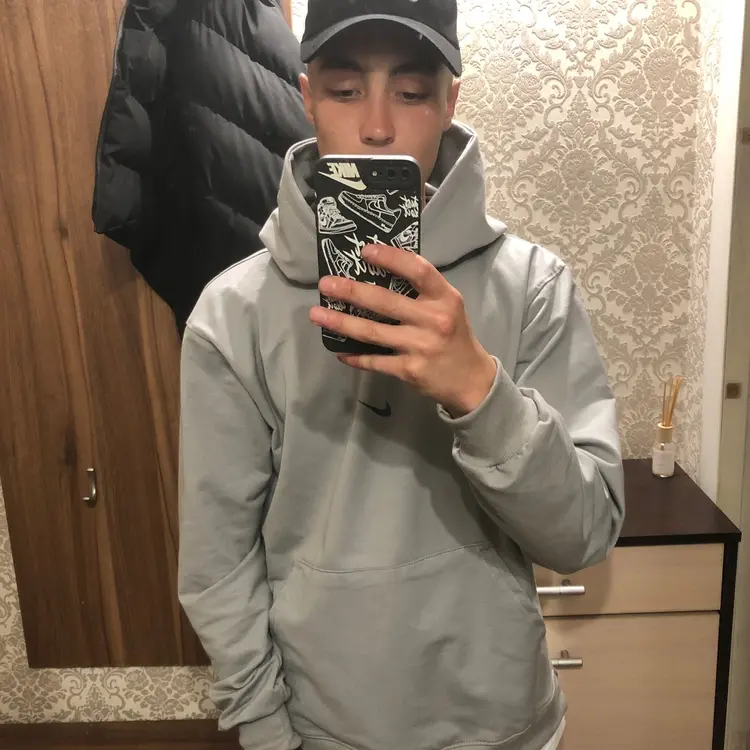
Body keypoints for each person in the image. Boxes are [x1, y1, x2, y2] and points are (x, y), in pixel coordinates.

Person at [177, 1, 625, 749]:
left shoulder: (533, 288)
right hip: (326, 728)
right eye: (346, 91)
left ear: (450, 102)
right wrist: (264, 729)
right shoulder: (233, 315)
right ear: (307, 98)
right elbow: (218, 562)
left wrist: (481, 392)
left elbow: (583, 535)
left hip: (504, 723)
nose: (378, 126)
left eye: (412, 92)